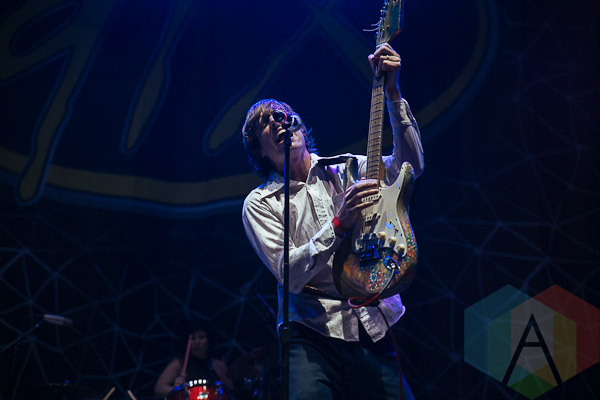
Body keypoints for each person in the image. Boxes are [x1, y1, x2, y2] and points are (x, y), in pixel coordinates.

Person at [241, 43, 424, 400]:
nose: (277, 120)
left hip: (370, 321)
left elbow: (411, 167)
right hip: (309, 334)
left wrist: (392, 93)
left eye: (282, 114)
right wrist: (339, 224)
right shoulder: (260, 204)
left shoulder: (350, 168)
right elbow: (290, 274)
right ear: (259, 150)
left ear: (298, 125)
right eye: (265, 122)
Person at [154, 324, 233, 398]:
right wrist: (177, 389)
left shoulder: (218, 365)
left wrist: (225, 377)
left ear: (209, 341)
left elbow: (230, 392)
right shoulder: (179, 364)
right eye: (193, 338)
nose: (197, 342)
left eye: (201, 337)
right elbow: (159, 388)